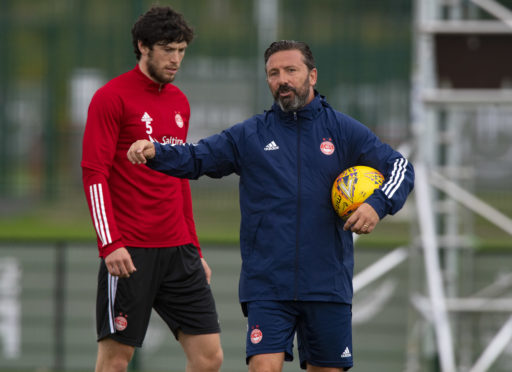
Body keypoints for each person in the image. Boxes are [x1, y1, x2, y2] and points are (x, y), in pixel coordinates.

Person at [127, 40, 414, 372]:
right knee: (263, 366)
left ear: (312, 75)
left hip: (327, 284)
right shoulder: (251, 134)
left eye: (291, 70)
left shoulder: (342, 130)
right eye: (273, 73)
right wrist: (155, 152)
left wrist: (377, 205)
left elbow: (400, 168)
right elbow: (197, 156)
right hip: (267, 284)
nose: (282, 80)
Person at [81, 6, 223, 372]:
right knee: (115, 361)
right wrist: (110, 243)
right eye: (167, 49)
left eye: (181, 50)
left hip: (179, 250)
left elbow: (180, 177)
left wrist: (194, 246)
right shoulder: (111, 97)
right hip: (130, 252)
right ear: (143, 47)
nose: (176, 59)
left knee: (209, 358)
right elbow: (94, 173)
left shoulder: (179, 102)